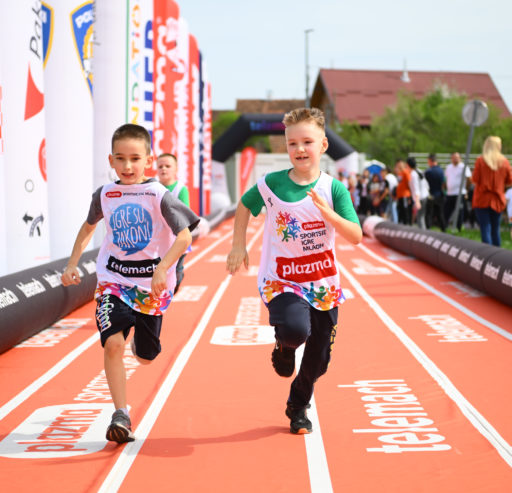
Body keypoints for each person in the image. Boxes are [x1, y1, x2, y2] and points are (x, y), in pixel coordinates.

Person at [226, 107, 362, 435]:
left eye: (307, 142)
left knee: (320, 360)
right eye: (292, 144)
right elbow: (245, 205)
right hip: (282, 278)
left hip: (323, 283)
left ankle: (298, 403)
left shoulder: (334, 189)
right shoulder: (271, 184)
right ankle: (284, 346)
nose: (299, 149)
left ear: (324, 145)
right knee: (294, 330)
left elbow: (355, 236)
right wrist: (238, 245)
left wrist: (329, 214)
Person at [61, 124, 200, 444]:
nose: (127, 166)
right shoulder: (105, 194)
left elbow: (185, 235)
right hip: (114, 280)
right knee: (113, 343)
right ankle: (120, 413)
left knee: (147, 356)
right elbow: (87, 228)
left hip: (150, 286)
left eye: (135, 159)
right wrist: (71, 263)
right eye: (120, 159)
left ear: (148, 160)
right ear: (110, 160)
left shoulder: (157, 194)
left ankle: (142, 341)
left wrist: (164, 268)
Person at [157, 153, 191, 294]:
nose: (164, 169)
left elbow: (185, 214)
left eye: (168, 166)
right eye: (160, 166)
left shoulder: (180, 189)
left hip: (177, 239)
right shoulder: (154, 188)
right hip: (159, 239)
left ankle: (177, 282)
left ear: (176, 169)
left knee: (177, 269)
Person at [471, 136, 512, 246]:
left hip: (481, 199)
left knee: (485, 228)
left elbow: (475, 179)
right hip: (498, 199)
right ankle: (496, 257)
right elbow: (510, 180)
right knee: (495, 229)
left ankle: (487, 256)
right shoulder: (504, 162)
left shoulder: (480, 160)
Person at [444, 152, 472, 230]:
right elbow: (446, 179)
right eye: (453, 157)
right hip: (450, 193)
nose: (455, 159)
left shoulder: (463, 167)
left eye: (456, 157)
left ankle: (459, 227)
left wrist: (466, 190)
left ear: (460, 158)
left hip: (460, 193)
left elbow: (469, 179)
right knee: (447, 211)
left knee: (460, 211)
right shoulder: (448, 167)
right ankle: (444, 226)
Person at [424, 153, 446, 231]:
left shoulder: (428, 172)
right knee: (440, 214)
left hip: (431, 195)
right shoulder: (441, 171)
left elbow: (425, 184)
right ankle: (443, 230)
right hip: (440, 194)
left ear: (430, 161)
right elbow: (444, 184)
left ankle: (428, 229)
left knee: (429, 214)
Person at [407, 157, 429, 229]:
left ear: (408, 165)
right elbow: (426, 184)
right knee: (421, 216)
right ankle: (423, 232)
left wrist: (417, 201)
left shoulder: (413, 174)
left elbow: (416, 189)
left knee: (420, 218)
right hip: (424, 196)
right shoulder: (419, 171)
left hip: (420, 198)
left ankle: (423, 234)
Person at [395, 158, 412, 225]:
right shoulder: (400, 173)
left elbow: (409, 183)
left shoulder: (406, 172)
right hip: (400, 195)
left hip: (405, 195)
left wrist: (410, 197)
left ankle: (406, 224)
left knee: (405, 211)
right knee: (400, 211)